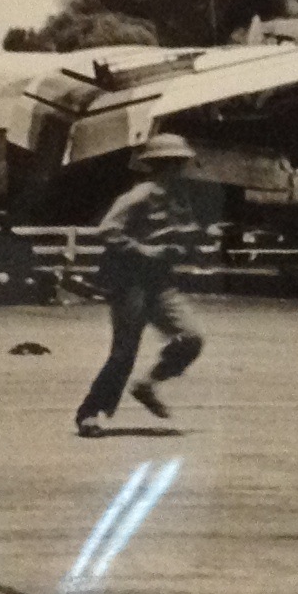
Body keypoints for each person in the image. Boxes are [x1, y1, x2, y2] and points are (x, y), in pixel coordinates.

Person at [75, 133, 207, 434]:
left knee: (191, 338)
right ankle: (90, 413)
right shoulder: (140, 194)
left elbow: (183, 232)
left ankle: (148, 383)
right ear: (160, 165)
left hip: (159, 281)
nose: (178, 169)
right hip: (131, 281)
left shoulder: (178, 198)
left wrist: (187, 243)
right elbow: (107, 229)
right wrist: (142, 249)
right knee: (124, 353)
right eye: (173, 163)